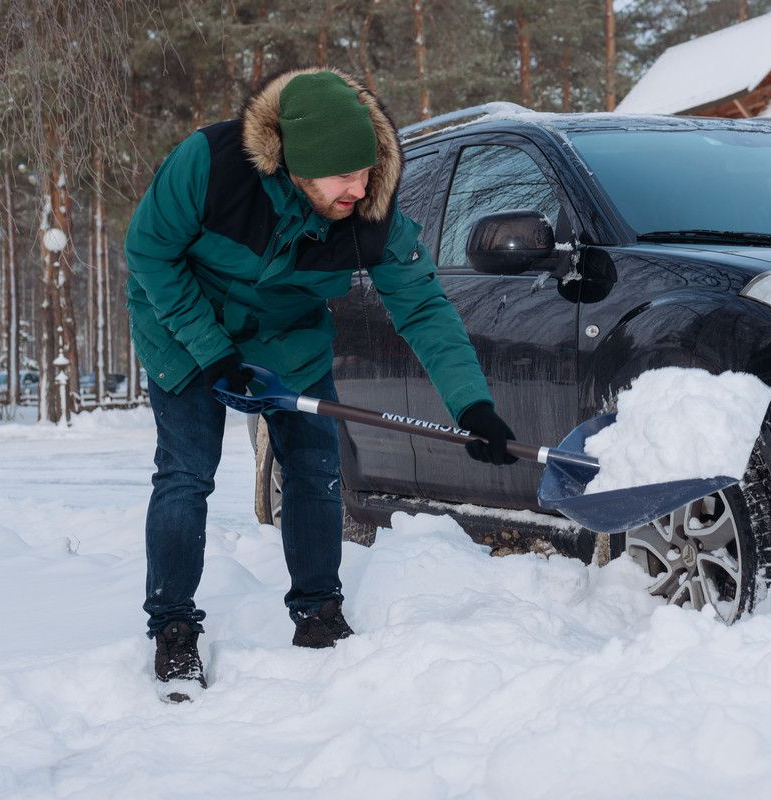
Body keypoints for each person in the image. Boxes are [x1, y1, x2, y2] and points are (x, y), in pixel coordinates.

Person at [125, 68, 517, 700]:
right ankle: (172, 625)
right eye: (343, 176)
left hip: (289, 340)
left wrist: (474, 404)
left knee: (315, 467)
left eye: (365, 172)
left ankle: (318, 613)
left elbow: (423, 308)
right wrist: (214, 353)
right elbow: (148, 253)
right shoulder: (209, 165)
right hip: (184, 326)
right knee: (186, 472)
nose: (358, 190)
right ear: (296, 166)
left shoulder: (373, 213)